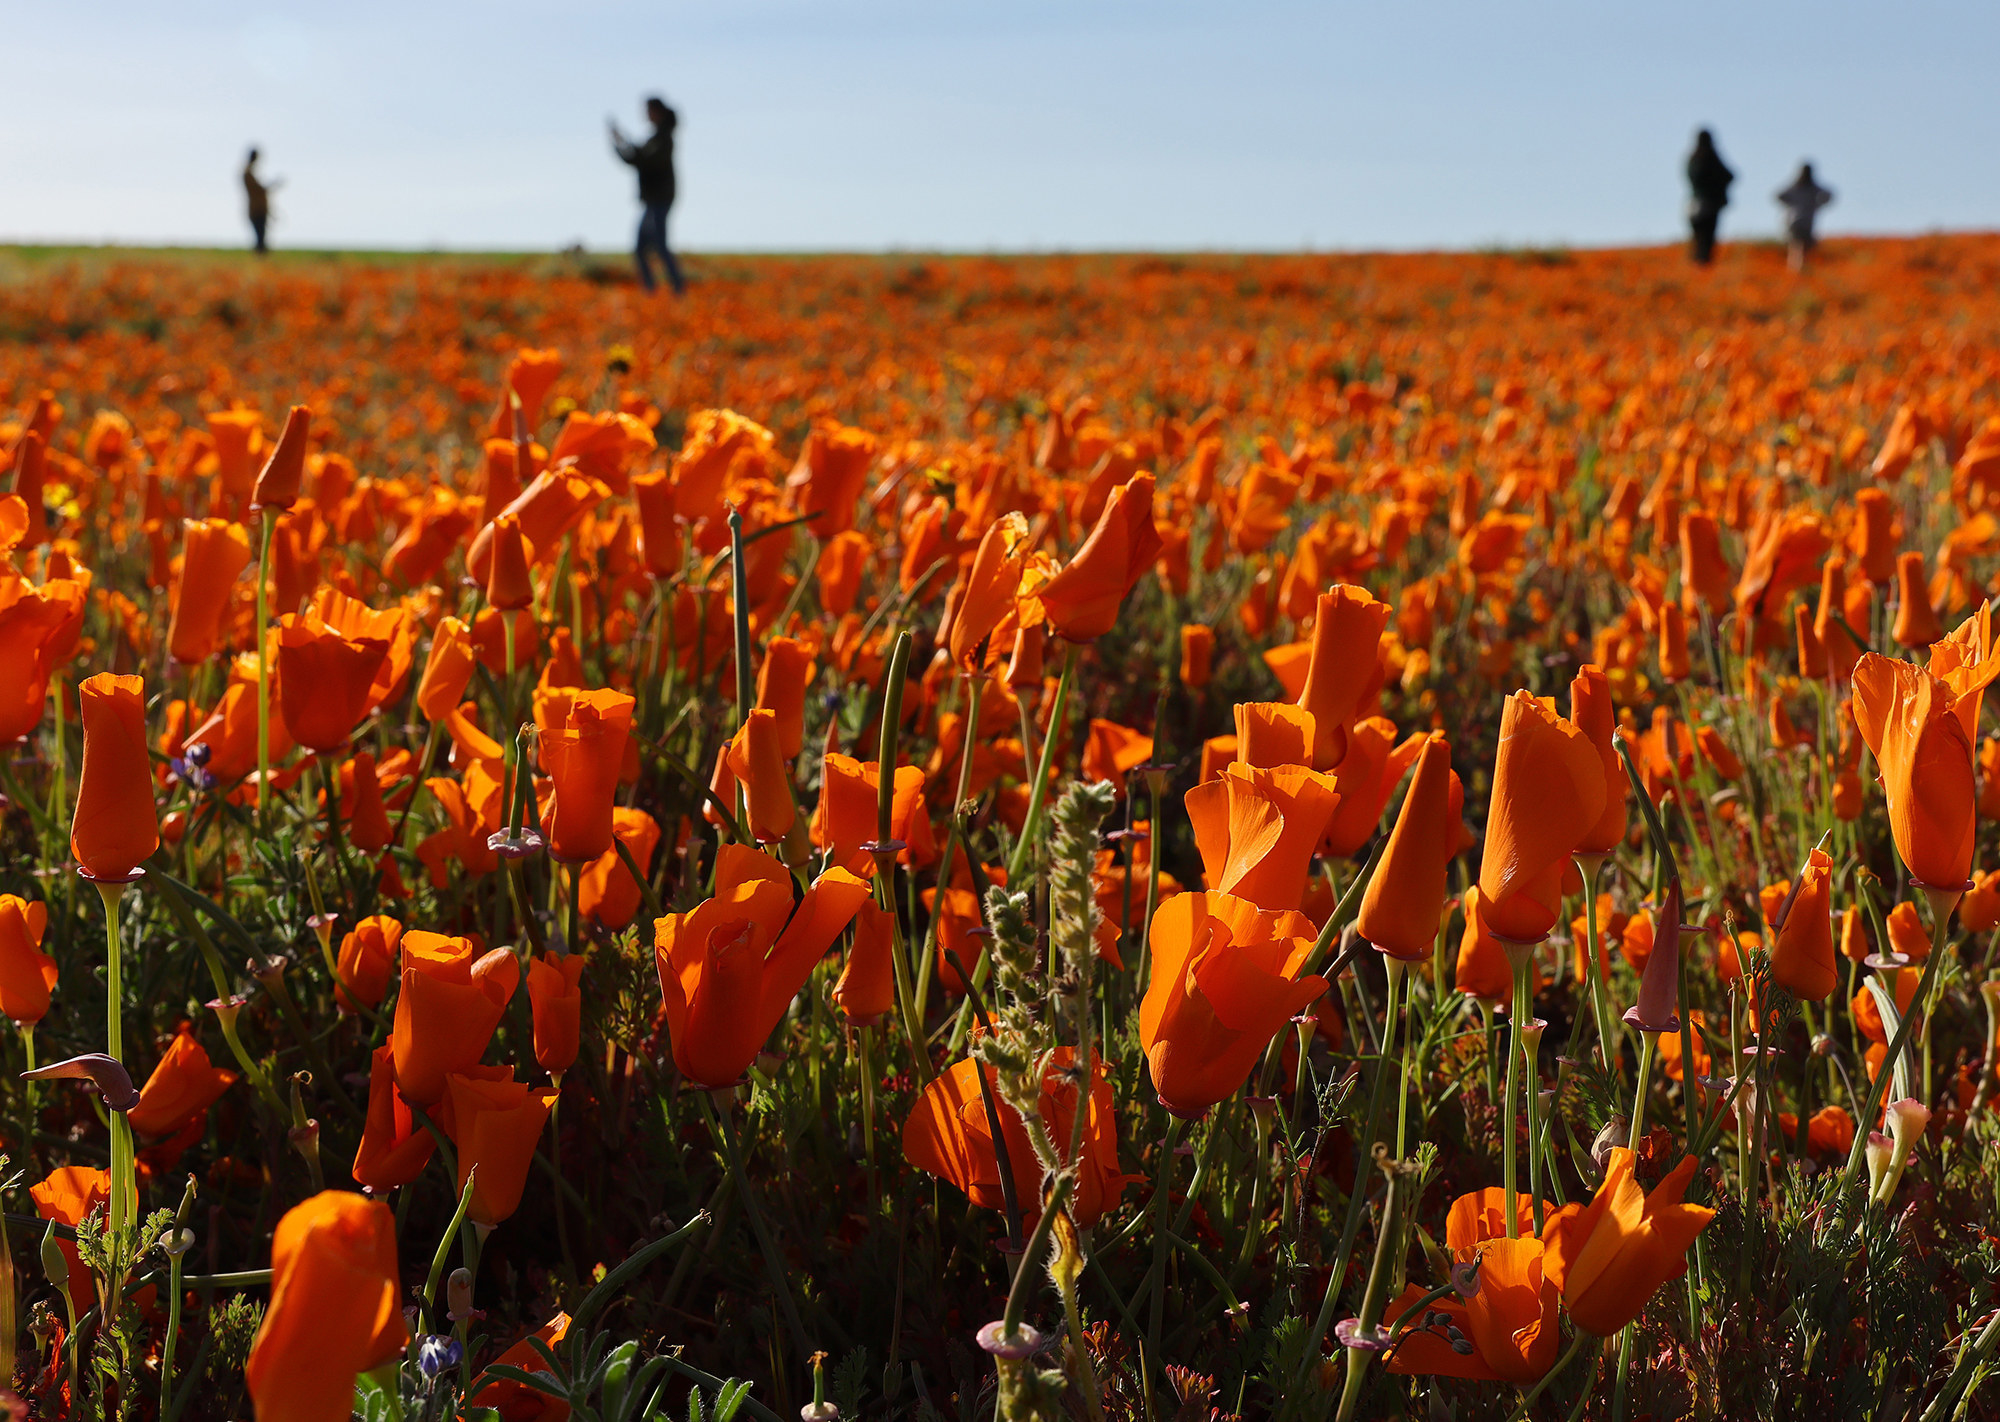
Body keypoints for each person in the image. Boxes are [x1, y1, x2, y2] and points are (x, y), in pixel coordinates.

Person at [610, 97, 686, 295]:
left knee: (656, 246)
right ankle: (656, 291)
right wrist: (620, 142)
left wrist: (623, 144)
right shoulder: (657, 138)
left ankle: (676, 290)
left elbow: (642, 160)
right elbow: (637, 157)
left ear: (657, 112)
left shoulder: (663, 138)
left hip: (660, 199)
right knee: (642, 248)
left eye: (648, 110)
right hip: (653, 200)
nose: (645, 115)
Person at [1685, 129, 1733, 265]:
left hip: (1693, 203)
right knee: (1707, 239)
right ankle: (1703, 267)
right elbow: (1729, 175)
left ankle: (1698, 266)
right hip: (1709, 204)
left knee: (1698, 239)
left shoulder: (1692, 158)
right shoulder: (1711, 158)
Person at [1776, 162, 1834, 272]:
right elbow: (1829, 194)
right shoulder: (1813, 188)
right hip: (1806, 221)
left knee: (1796, 245)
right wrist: (1818, 204)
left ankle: (1795, 268)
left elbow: (1779, 195)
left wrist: (1790, 204)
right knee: (1801, 245)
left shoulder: (1794, 186)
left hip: (1793, 220)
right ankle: (1798, 268)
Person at [243, 148, 281, 256]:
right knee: (260, 237)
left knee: (261, 236)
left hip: (258, 208)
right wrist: (273, 185)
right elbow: (259, 190)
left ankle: (260, 260)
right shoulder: (248, 173)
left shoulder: (249, 172)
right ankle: (260, 261)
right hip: (257, 209)